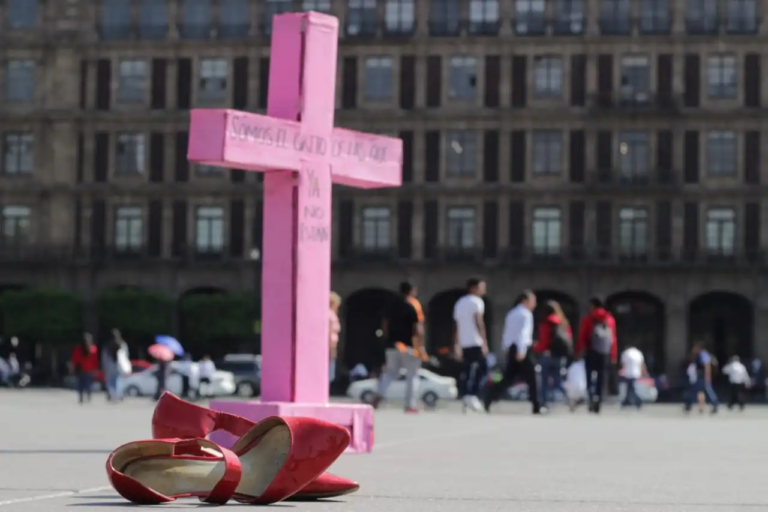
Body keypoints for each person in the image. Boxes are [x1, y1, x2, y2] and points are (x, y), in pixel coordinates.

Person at [485, 290, 545, 415]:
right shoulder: (526, 314)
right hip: (521, 349)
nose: (534, 304)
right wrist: (522, 350)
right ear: (525, 301)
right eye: (532, 301)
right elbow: (522, 334)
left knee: (508, 377)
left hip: (512, 348)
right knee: (533, 377)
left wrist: (507, 348)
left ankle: (489, 397)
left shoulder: (512, 313)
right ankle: (536, 405)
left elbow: (507, 333)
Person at [374, 281, 422, 413]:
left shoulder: (391, 305)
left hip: (392, 344)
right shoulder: (413, 305)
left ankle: (379, 394)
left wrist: (386, 338)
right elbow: (418, 328)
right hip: (408, 345)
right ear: (411, 291)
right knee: (412, 375)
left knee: (390, 372)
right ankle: (410, 405)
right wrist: (420, 346)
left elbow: (384, 323)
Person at [575, 296, 617, 414]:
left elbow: (582, 336)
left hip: (591, 351)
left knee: (589, 376)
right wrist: (613, 355)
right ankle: (599, 400)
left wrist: (579, 351)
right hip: (604, 352)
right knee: (601, 378)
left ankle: (591, 397)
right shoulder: (609, 319)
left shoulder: (588, 318)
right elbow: (613, 339)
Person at [453, 277, 488, 413]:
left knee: (467, 371)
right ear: (473, 288)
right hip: (475, 341)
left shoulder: (459, 303)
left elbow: (456, 325)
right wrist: (484, 341)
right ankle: (472, 395)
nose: (484, 290)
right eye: (481, 287)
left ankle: (466, 396)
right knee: (483, 368)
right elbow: (479, 322)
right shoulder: (477, 302)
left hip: (464, 342)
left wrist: (456, 344)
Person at [534, 300, 572, 407]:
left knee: (544, 381)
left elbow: (544, 341)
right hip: (560, 355)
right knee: (558, 381)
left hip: (547, 355)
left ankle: (543, 403)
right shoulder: (563, 322)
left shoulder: (545, 322)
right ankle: (569, 398)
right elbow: (568, 339)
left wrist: (536, 347)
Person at [684, 343, 719, 414]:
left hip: (702, 376)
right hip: (700, 376)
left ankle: (714, 403)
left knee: (705, 390)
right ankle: (688, 405)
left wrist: (707, 376)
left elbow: (707, 366)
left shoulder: (703, 354)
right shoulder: (700, 355)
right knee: (697, 390)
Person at [70, 333, 98, 404]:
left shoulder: (78, 349)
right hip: (90, 370)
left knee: (80, 384)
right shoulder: (94, 349)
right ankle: (89, 394)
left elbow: (74, 360)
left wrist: (72, 368)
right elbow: (95, 360)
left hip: (81, 370)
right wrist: (96, 369)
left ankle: (81, 397)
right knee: (89, 384)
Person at [619, 344, 647, 409]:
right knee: (630, 388)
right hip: (636, 373)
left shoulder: (625, 353)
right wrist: (644, 373)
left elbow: (623, 363)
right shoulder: (638, 353)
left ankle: (638, 400)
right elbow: (642, 364)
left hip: (628, 373)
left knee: (631, 388)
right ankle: (626, 401)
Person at [329, 292, 342, 386]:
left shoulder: (331, 315)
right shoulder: (330, 316)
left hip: (331, 345)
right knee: (329, 373)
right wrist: (331, 349)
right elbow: (329, 333)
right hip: (329, 346)